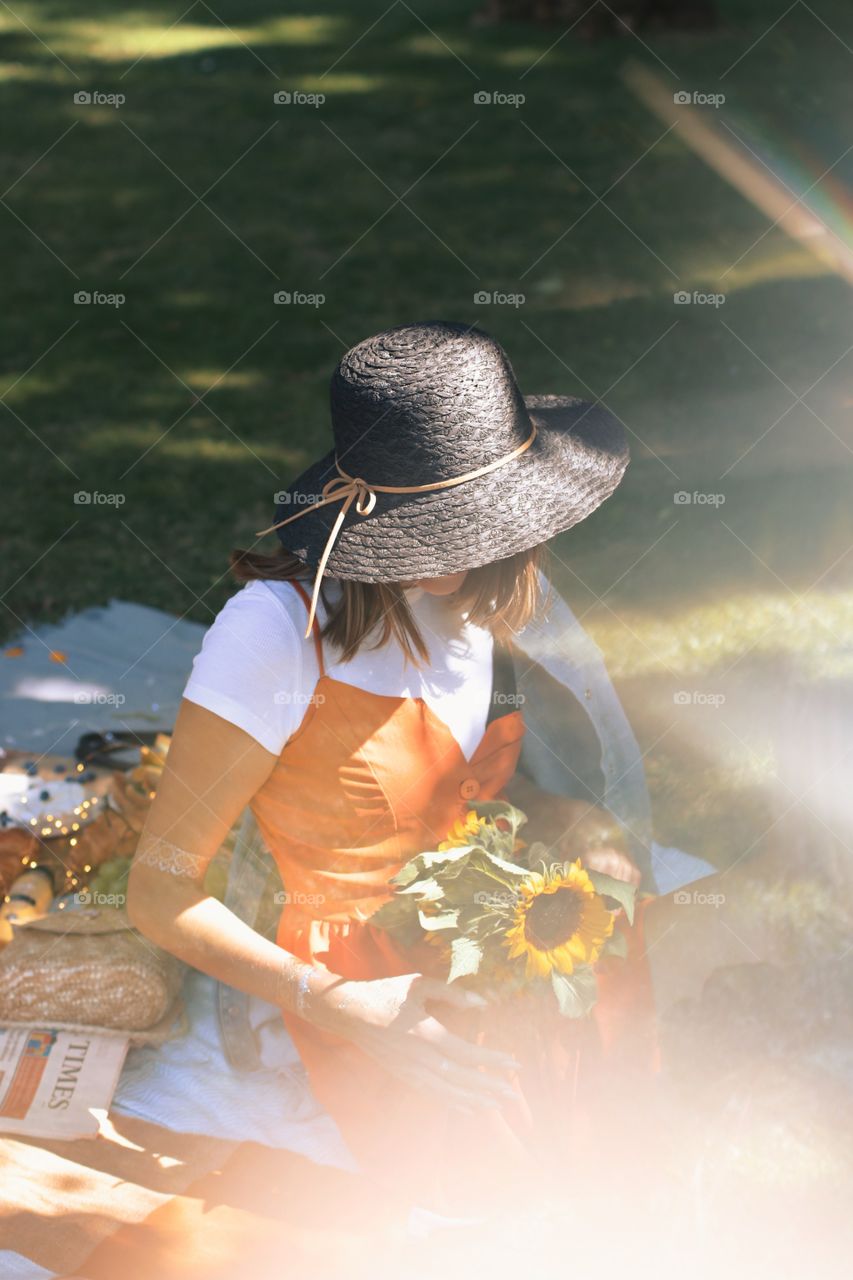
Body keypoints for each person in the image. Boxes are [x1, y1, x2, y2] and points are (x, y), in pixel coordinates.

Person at [126, 322, 781, 1218]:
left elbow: (464, 788)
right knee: (496, 1197)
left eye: (486, 526)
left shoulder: (487, 592)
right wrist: (326, 1002)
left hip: (489, 910)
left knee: (613, 1128)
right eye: (436, 529)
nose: (468, 554)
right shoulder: (271, 635)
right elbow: (158, 892)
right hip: (364, 976)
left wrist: (578, 824)